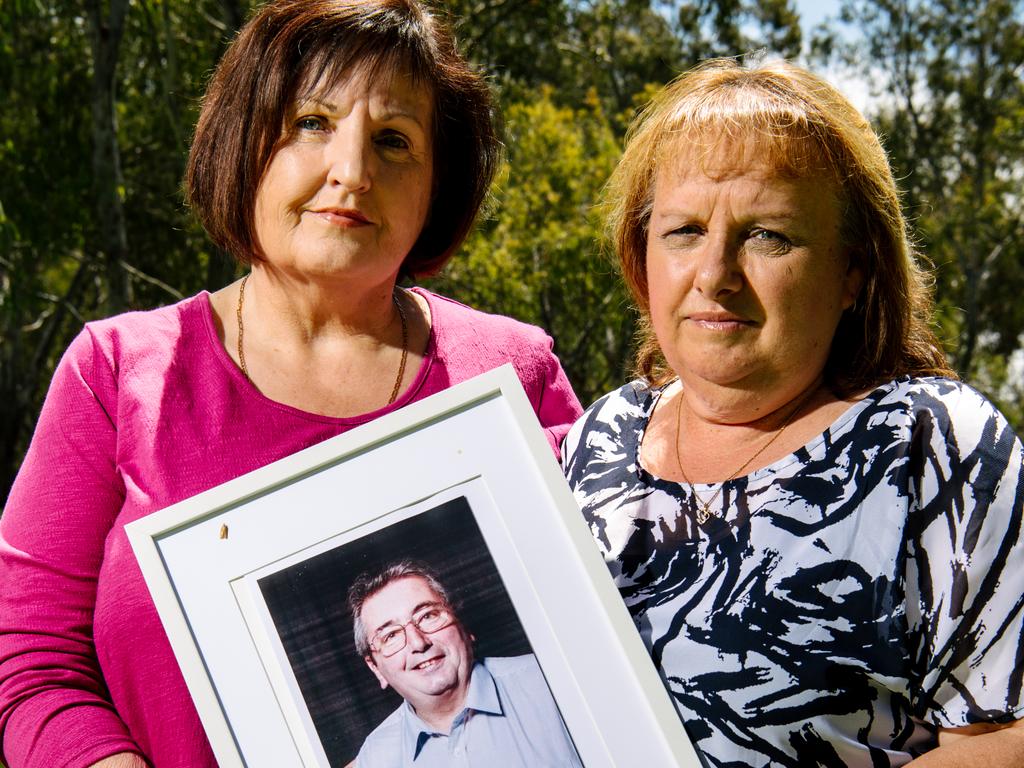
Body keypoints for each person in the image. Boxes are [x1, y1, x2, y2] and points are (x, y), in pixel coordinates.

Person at [0, 2, 582, 766]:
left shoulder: (517, 374)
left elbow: (602, 636)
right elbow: (29, 661)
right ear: (244, 143)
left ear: (438, 186)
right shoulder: (115, 373)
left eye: (394, 140)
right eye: (311, 122)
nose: (353, 171)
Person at [562, 58, 1024, 767]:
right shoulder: (599, 436)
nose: (715, 274)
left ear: (853, 271)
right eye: (683, 231)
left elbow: (1008, 736)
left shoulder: (936, 444)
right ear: (640, 255)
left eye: (768, 235)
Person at [347, 560, 582, 767]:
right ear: (375, 668)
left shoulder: (553, 681)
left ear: (463, 625)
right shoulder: (376, 756)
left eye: (428, 616)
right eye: (391, 636)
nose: (418, 643)